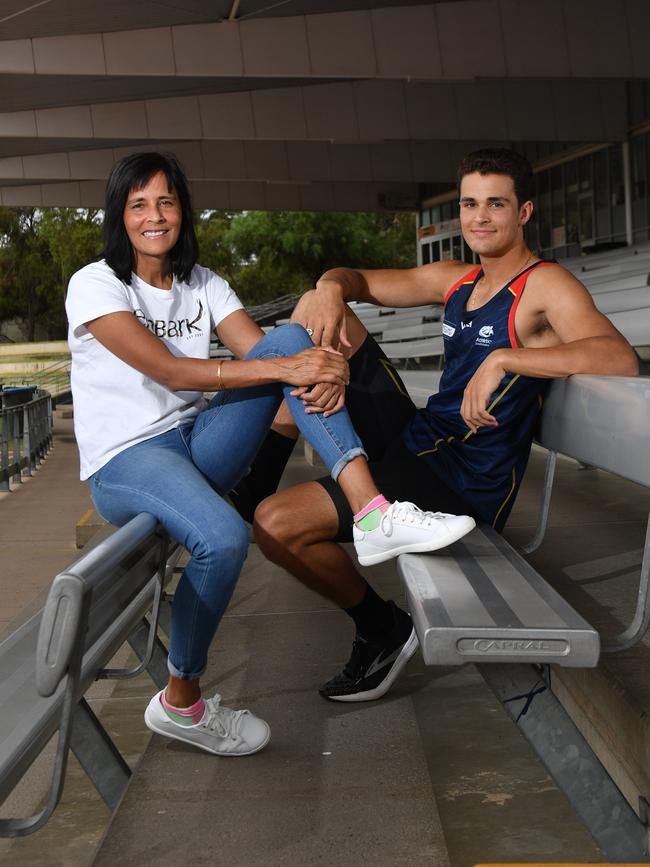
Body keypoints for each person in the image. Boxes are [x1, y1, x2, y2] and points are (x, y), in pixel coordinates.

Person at [65, 151, 475, 758]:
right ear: (119, 215)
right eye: (139, 205)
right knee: (225, 536)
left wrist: (311, 370)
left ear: (183, 210)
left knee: (289, 338)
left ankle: (372, 513)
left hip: (194, 442)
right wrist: (294, 367)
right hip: (128, 460)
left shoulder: (201, 283)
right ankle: (183, 703)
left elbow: (267, 353)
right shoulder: (96, 282)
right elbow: (170, 368)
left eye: (167, 202)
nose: (155, 216)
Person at [253, 147, 639, 704]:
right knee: (307, 318)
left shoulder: (544, 284)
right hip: (419, 440)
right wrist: (332, 288)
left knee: (276, 523)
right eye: (469, 204)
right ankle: (290, 492)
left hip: (461, 480)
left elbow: (618, 358)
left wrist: (505, 359)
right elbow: (353, 279)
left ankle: (382, 630)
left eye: (496, 204)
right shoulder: (456, 279)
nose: (480, 217)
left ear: (524, 212)